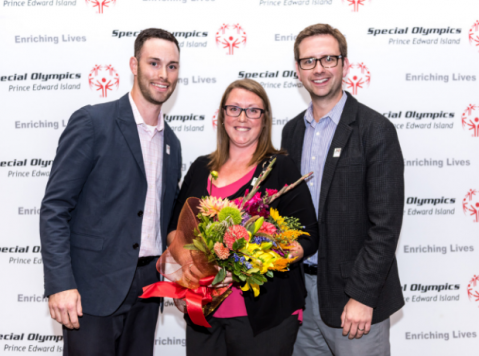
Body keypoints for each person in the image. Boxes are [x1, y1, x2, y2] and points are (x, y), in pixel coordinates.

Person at [40, 28, 182, 356]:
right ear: (134, 65)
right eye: (154, 63)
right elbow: (55, 208)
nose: (163, 75)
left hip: (148, 290)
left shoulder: (171, 143)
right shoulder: (93, 122)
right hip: (93, 289)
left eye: (172, 66)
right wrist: (60, 284)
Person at [167, 79, 319, 356]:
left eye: (253, 110)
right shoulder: (201, 168)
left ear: (265, 119)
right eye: (234, 108)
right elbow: (174, 230)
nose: (242, 118)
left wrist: (263, 257)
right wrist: (192, 266)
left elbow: (308, 234)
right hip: (204, 309)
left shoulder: (279, 167)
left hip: (265, 315)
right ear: (223, 115)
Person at [281, 24, 405, 356]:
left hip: (354, 299)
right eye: (308, 61)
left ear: (345, 64)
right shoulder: (291, 132)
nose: (318, 69)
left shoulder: (375, 130)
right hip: (302, 294)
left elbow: (385, 225)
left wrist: (363, 295)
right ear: (298, 70)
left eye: (328, 59)